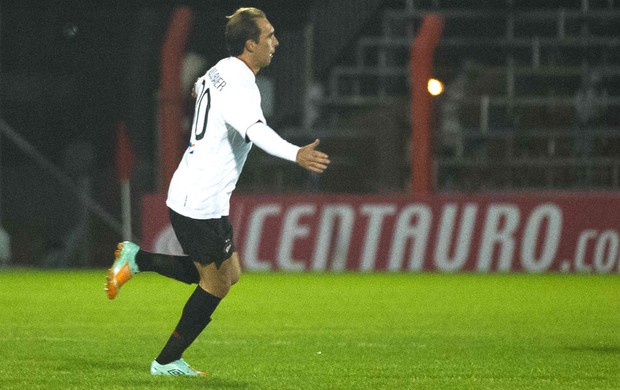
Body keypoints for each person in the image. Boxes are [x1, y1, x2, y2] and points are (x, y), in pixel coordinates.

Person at [105, 7, 330, 376]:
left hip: (200, 195)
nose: (276, 41)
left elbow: (199, 89)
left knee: (231, 274)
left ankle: (138, 260)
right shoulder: (241, 88)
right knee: (216, 284)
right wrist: (296, 153)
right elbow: (256, 132)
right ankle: (166, 361)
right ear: (250, 44)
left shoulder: (221, 68)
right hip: (199, 202)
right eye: (269, 35)